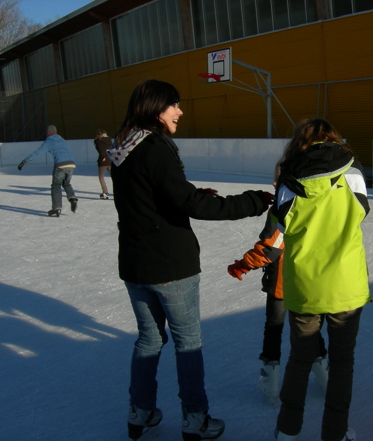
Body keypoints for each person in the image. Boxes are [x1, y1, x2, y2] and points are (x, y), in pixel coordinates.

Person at [107, 79, 272, 441]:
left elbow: (153, 195)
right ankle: (196, 418)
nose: (180, 111)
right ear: (156, 108)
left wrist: (192, 193)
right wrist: (255, 200)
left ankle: (140, 411)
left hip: (134, 264)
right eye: (174, 105)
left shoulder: (123, 148)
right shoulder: (155, 148)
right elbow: (192, 205)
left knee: (149, 340)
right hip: (169, 265)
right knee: (188, 342)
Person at [260, 119, 370, 441]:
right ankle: (335, 433)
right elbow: (362, 209)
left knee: (299, 358)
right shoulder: (354, 173)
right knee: (342, 362)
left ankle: (288, 430)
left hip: (305, 285)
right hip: (345, 284)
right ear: (334, 140)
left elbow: (276, 229)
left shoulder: (288, 179)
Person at [226, 164, 329, 407]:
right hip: (312, 283)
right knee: (311, 330)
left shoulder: (284, 207)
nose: (274, 184)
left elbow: (270, 248)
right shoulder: (320, 204)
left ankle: (270, 381)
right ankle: (324, 377)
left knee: (274, 328)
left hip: (283, 285)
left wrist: (242, 264)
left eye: (278, 180)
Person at [17, 125, 78, 217]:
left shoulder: (48, 142)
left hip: (60, 165)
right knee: (66, 183)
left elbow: (37, 153)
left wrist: (24, 161)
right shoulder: (61, 139)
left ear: (47, 133)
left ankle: (56, 209)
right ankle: (72, 198)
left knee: (56, 186)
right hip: (71, 164)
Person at [94, 129, 112, 199]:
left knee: (101, 176)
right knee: (114, 177)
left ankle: (105, 192)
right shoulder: (109, 140)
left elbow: (101, 150)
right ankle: (119, 192)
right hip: (111, 160)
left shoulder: (98, 140)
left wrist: (103, 156)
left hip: (103, 161)